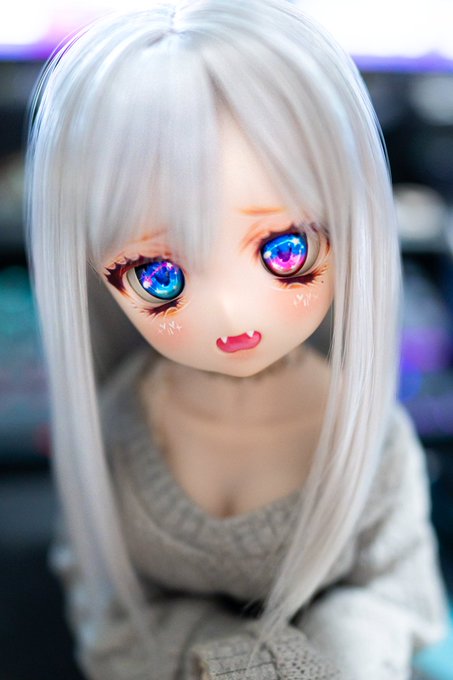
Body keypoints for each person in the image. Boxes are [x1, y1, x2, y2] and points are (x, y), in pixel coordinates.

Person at [25, 1, 449, 678]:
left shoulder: (369, 436)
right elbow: (104, 612)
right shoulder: (116, 430)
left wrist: (321, 659)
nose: (228, 312)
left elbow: (403, 600)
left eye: (284, 250)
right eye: (158, 275)